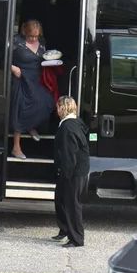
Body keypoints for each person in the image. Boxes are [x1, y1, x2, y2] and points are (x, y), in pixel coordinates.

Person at [9, 20, 53, 159]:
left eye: (36, 36)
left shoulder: (42, 43)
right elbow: (3, 57)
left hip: (36, 79)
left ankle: (30, 125)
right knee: (21, 106)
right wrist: (11, 67)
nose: (34, 39)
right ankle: (16, 147)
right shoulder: (16, 41)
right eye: (31, 36)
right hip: (20, 78)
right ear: (25, 32)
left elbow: (44, 59)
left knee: (47, 101)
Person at [51, 96, 89, 248]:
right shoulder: (76, 123)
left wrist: (65, 175)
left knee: (72, 205)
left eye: (58, 107)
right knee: (61, 200)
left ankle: (76, 239)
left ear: (62, 108)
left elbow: (69, 155)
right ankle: (65, 229)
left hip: (73, 173)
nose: (56, 110)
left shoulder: (67, 128)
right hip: (78, 171)